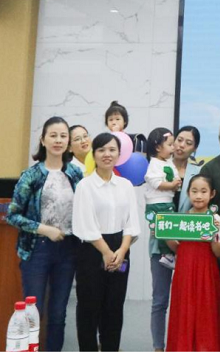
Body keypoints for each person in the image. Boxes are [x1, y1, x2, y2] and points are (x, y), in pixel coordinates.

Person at [7, 117, 84, 352]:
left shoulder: (75, 173)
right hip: (37, 248)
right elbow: (12, 215)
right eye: (53, 135)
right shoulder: (31, 175)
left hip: (68, 249)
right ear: (43, 140)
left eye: (63, 136)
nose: (58, 140)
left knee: (58, 313)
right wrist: (45, 229)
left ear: (68, 142)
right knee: (33, 311)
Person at [72, 132, 141, 352]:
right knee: (89, 307)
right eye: (101, 150)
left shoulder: (126, 185)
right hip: (92, 250)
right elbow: (85, 225)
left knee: (114, 307)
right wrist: (105, 252)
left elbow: (131, 223)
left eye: (112, 150)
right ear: (94, 154)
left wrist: (122, 250)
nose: (107, 154)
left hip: (121, 248)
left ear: (119, 154)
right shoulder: (85, 186)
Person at [166, 175, 220, 352]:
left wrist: (213, 236)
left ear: (212, 194)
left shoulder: (216, 220)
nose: (198, 196)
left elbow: (219, 253)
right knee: (184, 309)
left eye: (203, 191)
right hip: (184, 271)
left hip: (206, 272)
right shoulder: (181, 220)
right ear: (188, 193)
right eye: (194, 191)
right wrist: (164, 235)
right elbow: (177, 248)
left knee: (205, 311)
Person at [143, 127, 183, 352]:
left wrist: (176, 183)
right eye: (171, 143)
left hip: (171, 212)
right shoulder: (154, 164)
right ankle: (158, 346)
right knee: (160, 300)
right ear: (158, 147)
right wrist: (173, 184)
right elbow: (156, 182)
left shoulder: (170, 163)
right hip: (158, 205)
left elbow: (176, 180)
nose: (176, 146)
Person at [171, 126, 202, 212]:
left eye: (188, 143)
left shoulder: (198, 173)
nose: (182, 145)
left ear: (195, 148)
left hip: (187, 219)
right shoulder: (159, 167)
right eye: (179, 140)